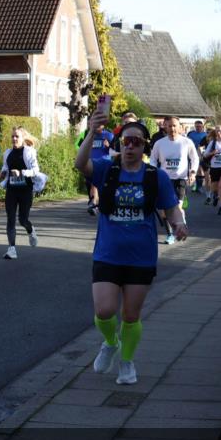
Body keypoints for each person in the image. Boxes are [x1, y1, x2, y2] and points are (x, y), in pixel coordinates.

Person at [75, 110, 188, 385]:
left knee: (130, 315)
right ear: (120, 144)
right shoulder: (108, 169)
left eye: (136, 142)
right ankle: (111, 342)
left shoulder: (155, 177)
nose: (130, 146)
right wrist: (92, 132)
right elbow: (80, 164)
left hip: (141, 256)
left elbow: (171, 208)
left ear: (144, 147)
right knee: (104, 311)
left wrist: (179, 223)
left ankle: (126, 363)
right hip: (108, 253)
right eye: (126, 141)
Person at [149, 117, 198, 244]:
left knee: (177, 207)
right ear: (165, 127)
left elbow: (195, 158)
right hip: (164, 180)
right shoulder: (159, 143)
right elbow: (153, 159)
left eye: (175, 125)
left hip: (181, 179)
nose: (172, 128)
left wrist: (193, 172)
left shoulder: (187, 142)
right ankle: (170, 234)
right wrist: (154, 172)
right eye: (170, 126)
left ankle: (180, 225)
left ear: (180, 127)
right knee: (164, 212)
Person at [0, 127, 45, 259]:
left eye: (17, 136)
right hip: (12, 190)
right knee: (10, 219)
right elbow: (5, 167)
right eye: (12, 136)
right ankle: (11, 249)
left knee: (23, 220)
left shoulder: (29, 152)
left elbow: (36, 170)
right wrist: (3, 173)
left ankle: (30, 230)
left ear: (22, 138)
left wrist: (22, 173)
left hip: (25, 191)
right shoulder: (8, 153)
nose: (14, 139)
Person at [82, 121, 114, 214]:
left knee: (99, 185)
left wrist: (108, 146)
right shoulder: (89, 135)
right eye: (95, 124)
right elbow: (82, 148)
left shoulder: (108, 135)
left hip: (104, 163)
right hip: (91, 163)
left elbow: (115, 150)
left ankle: (96, 203)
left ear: (103, 125)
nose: (97, 126)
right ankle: (94, 203)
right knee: (93, 184)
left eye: (99, 124)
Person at [186, 120, 209, 193]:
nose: (198, 128)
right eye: (196, 126)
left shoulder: (205, 135)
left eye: (199, 126)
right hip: (191, 154)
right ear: (195, 126)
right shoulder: (191, 134)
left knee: (200, 170)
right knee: (193, 169)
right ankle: (195, 185)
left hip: (201, 154)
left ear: (202, 126)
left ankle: (199, 186)